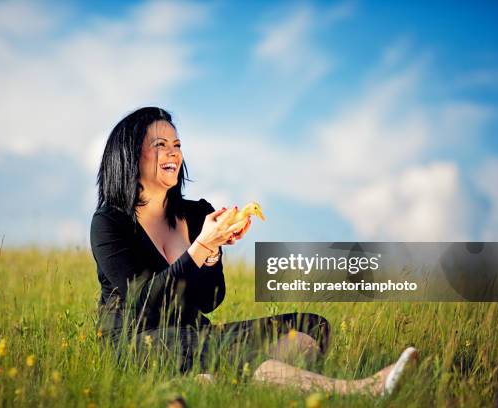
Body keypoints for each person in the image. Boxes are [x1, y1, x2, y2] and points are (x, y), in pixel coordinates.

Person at [90, 107, 417, 396]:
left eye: (177, 145)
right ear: (130, 155)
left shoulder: (196, 214)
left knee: (308, 328)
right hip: (137, 344)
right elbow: (144, 300)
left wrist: (213, 251)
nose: (173, 154)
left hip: (196, 334)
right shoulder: (110, 223)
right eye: (160, 146)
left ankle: (218, 381)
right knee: (226, 350)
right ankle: (361, 390)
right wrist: (202, 246)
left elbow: (210, 300)